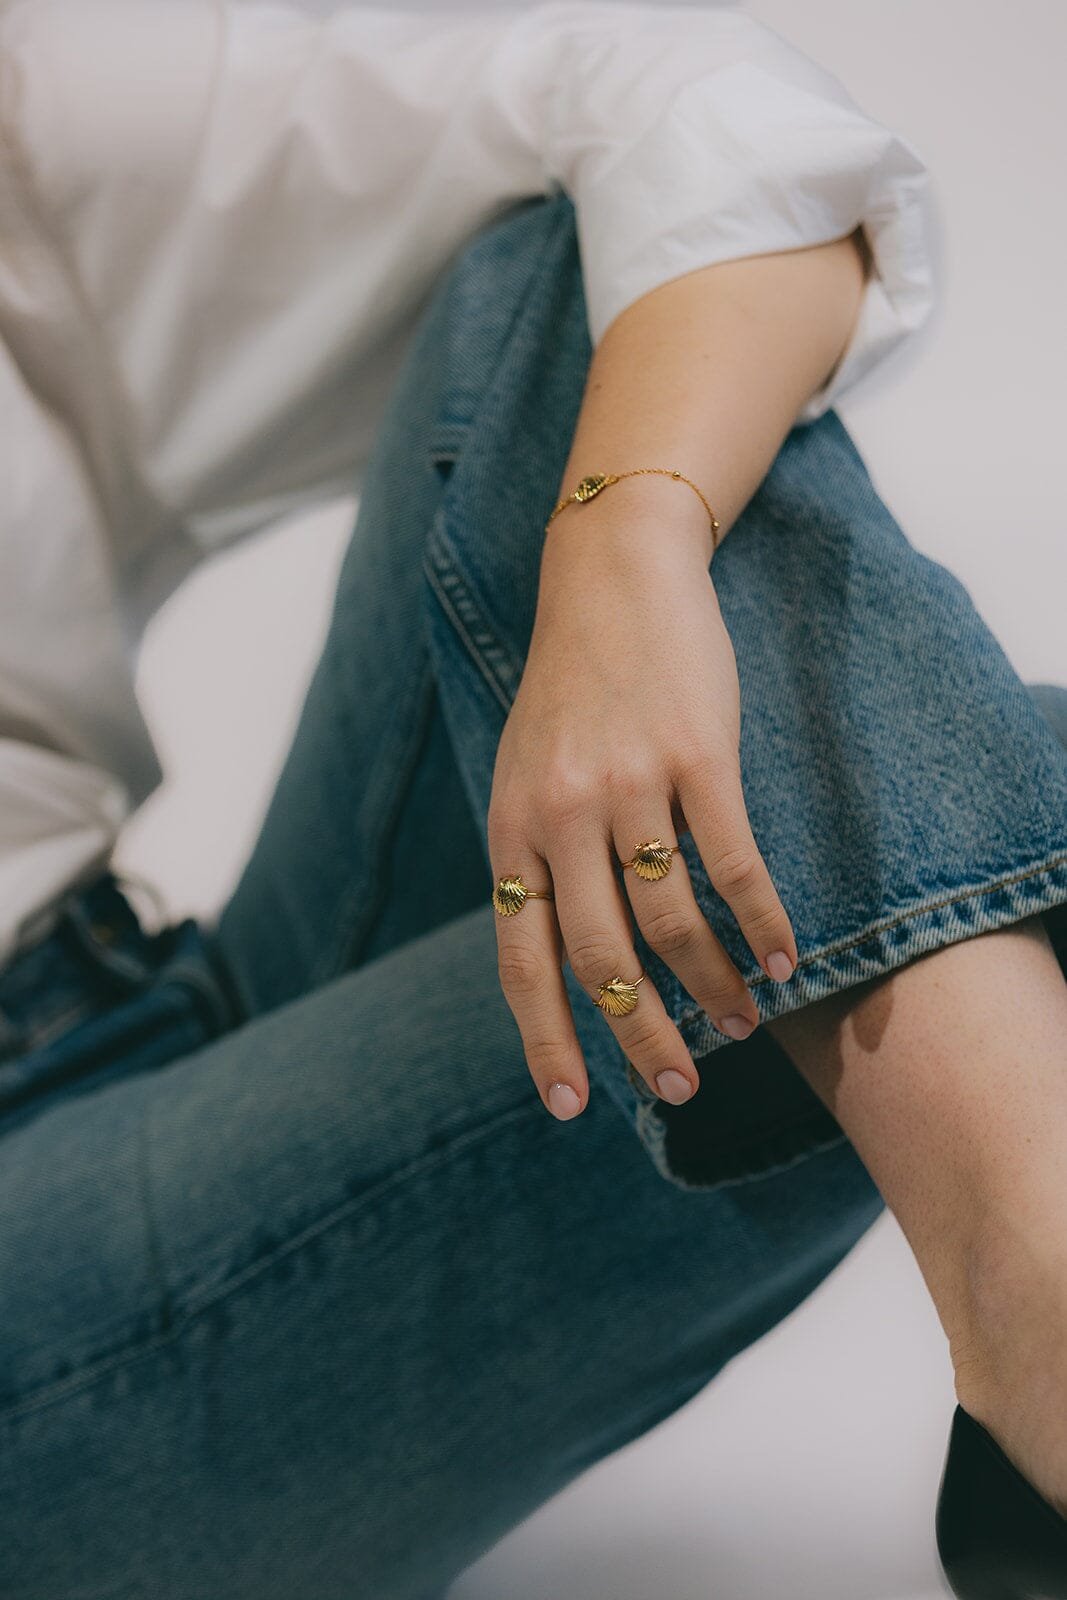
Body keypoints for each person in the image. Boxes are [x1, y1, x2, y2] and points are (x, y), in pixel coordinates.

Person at [0, 2, 1064, 1595]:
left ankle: (1036, 1291)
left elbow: (688, 109)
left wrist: (621, 545)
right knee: (1003, 819)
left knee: (570, 282)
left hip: (145, 1006)